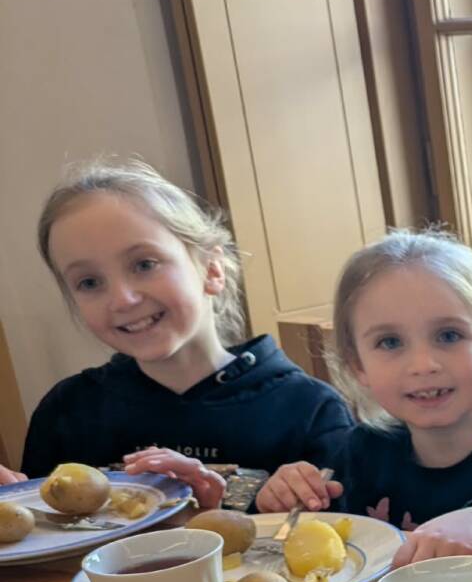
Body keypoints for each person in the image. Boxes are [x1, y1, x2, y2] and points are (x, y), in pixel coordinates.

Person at [257, 229, 472, 567]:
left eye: (448, 335)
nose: (423, 365)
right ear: (358, 366)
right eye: (390, 342)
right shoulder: (358, 454)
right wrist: (286, 502)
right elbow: (315, 545)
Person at [20, 158, 352, 507]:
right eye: (89, 282)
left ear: (212, 269)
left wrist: (276, 504)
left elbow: (351, 531)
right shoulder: (67, 412)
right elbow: (38, 528)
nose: (122, 299)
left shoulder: (308, 410)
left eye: (144, 264)